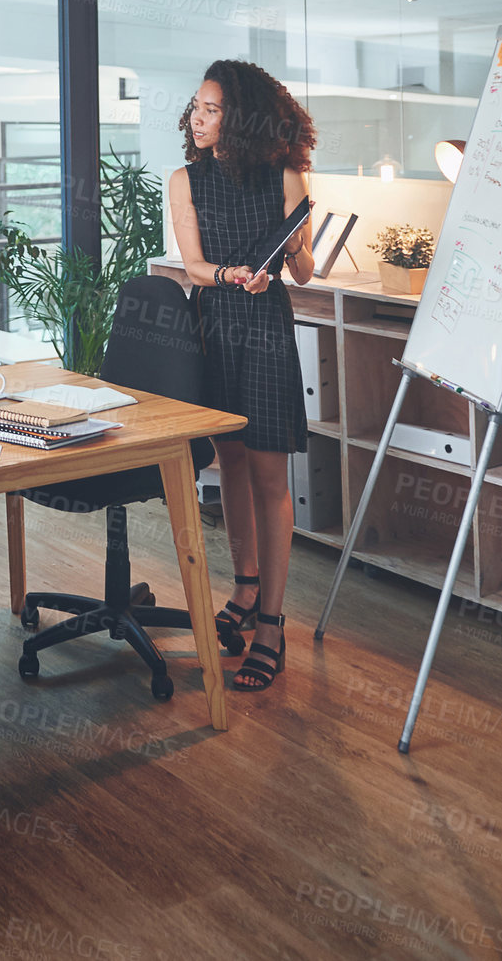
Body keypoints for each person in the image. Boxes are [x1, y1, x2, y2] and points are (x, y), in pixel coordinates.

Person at [168, 60, 315, 693]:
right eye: (196, 107)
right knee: (227, 461)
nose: (197, 118)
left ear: (243, 117)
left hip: (266, 328)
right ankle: (246, 586)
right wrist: (231, 275)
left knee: (267, 474)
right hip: (214, 325)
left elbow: (305, 274)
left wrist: (298, 245)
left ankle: (273, 626)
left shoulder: (286, 174)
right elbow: (194, 265)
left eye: (212, 110)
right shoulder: (185, 179)